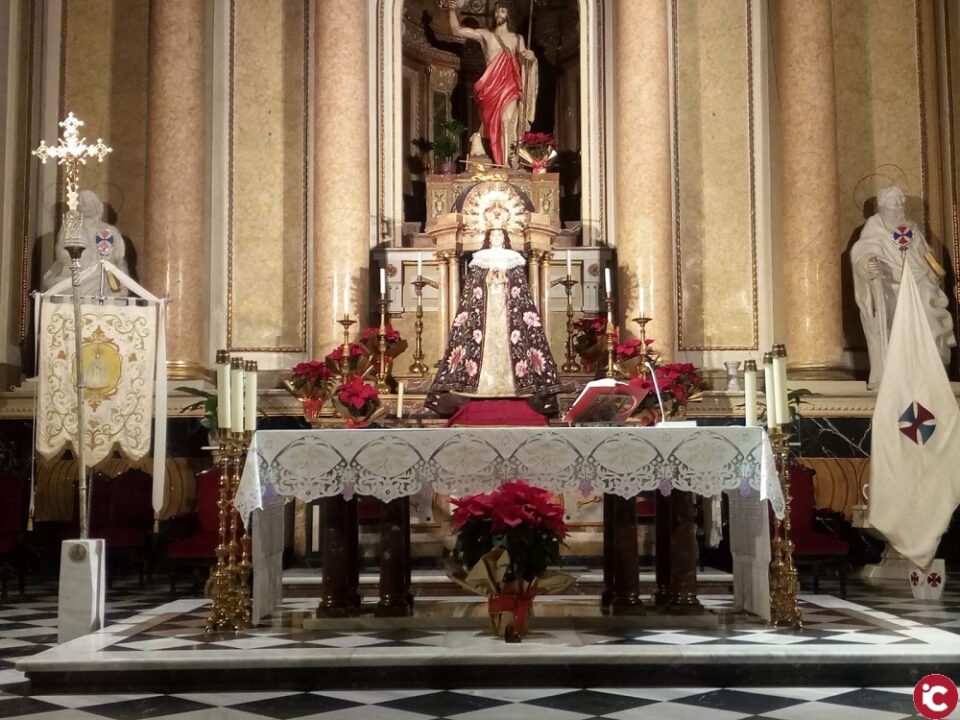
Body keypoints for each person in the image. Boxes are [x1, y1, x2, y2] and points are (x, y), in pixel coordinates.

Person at [427, 226, 561, 415]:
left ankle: (515, 387)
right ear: (488, 239)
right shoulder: (480, 260)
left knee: (511, 344)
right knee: (483, 345)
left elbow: (520, 290)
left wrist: (505, 282)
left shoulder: (513, 259)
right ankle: (481, 386)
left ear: (504, 238)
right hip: (485, 314)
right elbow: (473, 291)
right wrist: (489, 279)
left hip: (509, 314)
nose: (496, 238)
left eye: (499, 235)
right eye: (493, 235)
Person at [850, 185, 955, 388]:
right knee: (890, 308)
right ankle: (894, 371)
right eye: (893, 202)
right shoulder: (874, 228)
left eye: (900, 202)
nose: (898, 206)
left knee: (927, 300)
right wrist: (867, 265)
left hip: (917, 281)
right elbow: (862, 253)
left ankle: (929, 369)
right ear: (882, 205)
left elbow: (926, 256)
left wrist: (929, 267)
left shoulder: (911, 228)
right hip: (888, 286)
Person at [449, 0, 537, 168]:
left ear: (508, 14)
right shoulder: (485, 35)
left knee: (506, 121)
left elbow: (524, 63)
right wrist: (452, 9)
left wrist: (531, 59)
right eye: (497, 12)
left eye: (503, 11)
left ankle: (504, 164)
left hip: (510, 85)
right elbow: (456, 30)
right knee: (494, 126)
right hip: (490, 88)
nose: (499, 15)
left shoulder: (517, 39)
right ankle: (498, 160)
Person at [42, 189, 129, 298]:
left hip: (102, 272)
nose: (83, 204)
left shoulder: (109, 230)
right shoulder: (69, 227)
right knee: (58, 284)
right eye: (80, 201)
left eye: (88, 201)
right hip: (76, 271)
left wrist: (105, 258)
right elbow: (61, 253)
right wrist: (85, 260)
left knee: (111, 275)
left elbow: (119, 255)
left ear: (96, 205)